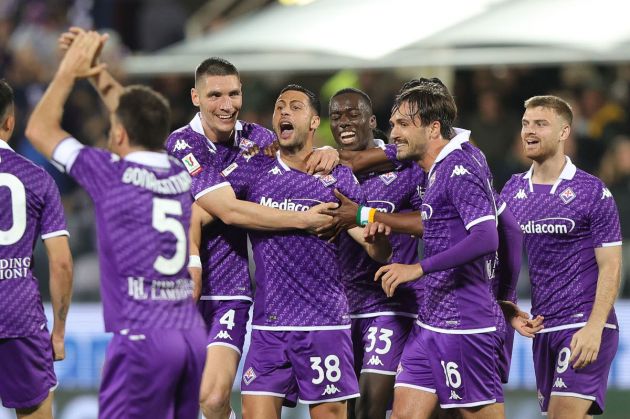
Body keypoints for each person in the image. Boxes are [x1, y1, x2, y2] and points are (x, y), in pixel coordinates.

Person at [58, 27, 339, 418]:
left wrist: (328, 150)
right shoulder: (181, 145)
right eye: (215, 95)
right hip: (176, 289)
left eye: (234, 94)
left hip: (230, 289)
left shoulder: (257, 138)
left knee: (212, 397)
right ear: (195, 98)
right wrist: (304, 220)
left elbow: (298, 150)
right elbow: (226, 210)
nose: (227, 105)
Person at [26, 31, 207, 419]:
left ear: (120, 133)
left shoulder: (111, 172)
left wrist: (69, 71)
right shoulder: (178, 171)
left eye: (113, 128)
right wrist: (99, 76)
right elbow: (139, 116)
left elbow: (39, 129)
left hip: (143, 337)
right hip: (191, 335)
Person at [191, 84, 392, 419]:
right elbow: (198, 214)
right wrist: (191, 262)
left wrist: (368, 224)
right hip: (269, 326)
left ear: (314, 122)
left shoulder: (335, 175)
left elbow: (378, 251)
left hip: (324, 325)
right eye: (279, 106)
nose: (284, 112)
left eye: (295, 107)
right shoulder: (254, 172)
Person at [373, 83, 506, 418]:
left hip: (466, 324)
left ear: (433, 128)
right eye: (393, 124)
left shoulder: (460, 166)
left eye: (403, 124)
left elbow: (487, 237)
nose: (394, 133)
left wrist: (418, 268)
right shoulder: (437, 168)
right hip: (430, 322)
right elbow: (509, 226)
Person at [500, 95, 622, 418]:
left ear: (564, 132)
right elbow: (496, 257)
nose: (529, 131)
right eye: (526, 124)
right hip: (543, 328)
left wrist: (595, 326)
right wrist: (506, 306)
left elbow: (611, 265)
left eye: (540, 124)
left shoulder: (592, 191)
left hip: (584, 324)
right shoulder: (512, 191)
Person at [328, 87, 423, 419]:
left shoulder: (406, 167)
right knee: (348, 410)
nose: (344, 123)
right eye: (336, 117)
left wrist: (370, 217)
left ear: (371, 120)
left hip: (390, 301)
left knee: (372, 405)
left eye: (353, 115)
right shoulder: (326, 171)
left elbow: (430, 220)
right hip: (339, 307)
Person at [0, 79, 73, 419]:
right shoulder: (38, 178)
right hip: (21, 317)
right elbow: (61, 264)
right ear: (9, 122)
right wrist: (58, 332)